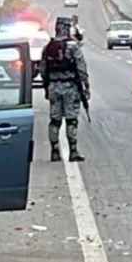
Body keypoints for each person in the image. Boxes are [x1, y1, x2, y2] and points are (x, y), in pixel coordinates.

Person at [41, 18, 89, 162]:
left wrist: (47, 86)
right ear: (67, 28)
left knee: (55, 121)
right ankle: (73, 151)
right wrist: (86, 86)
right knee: (71, 120)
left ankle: (54, 151)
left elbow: (43, 70)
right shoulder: (72, 47)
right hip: (70, 88)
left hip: (54, 87)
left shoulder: (48, 47)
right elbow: (81, 68)